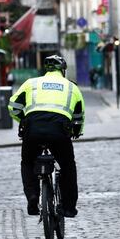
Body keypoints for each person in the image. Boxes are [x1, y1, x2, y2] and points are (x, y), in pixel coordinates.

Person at [8, 54, 84, 218]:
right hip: (59, 130)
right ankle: (69, 207)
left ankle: (33, 197)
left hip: (33, 128)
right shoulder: (72, 87)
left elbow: (13, 106)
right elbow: (78, 118)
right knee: (67, 166)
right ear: (62, 70)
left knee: (28, 162)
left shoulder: (31, 83)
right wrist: (76, 132)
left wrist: (23, 121)